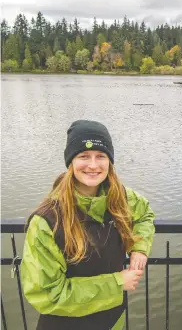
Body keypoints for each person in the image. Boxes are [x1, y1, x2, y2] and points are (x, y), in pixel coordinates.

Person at [20, 120, 156, 330]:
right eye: (83, 156)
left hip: (112, 321)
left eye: (101, 156)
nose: (93, 165)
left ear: (109, 161)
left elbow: (145, 214)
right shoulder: (47, 221)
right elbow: (47, 294)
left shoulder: (119, 198)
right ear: (70, 162)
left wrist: (140, 247)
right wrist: (117, 283)